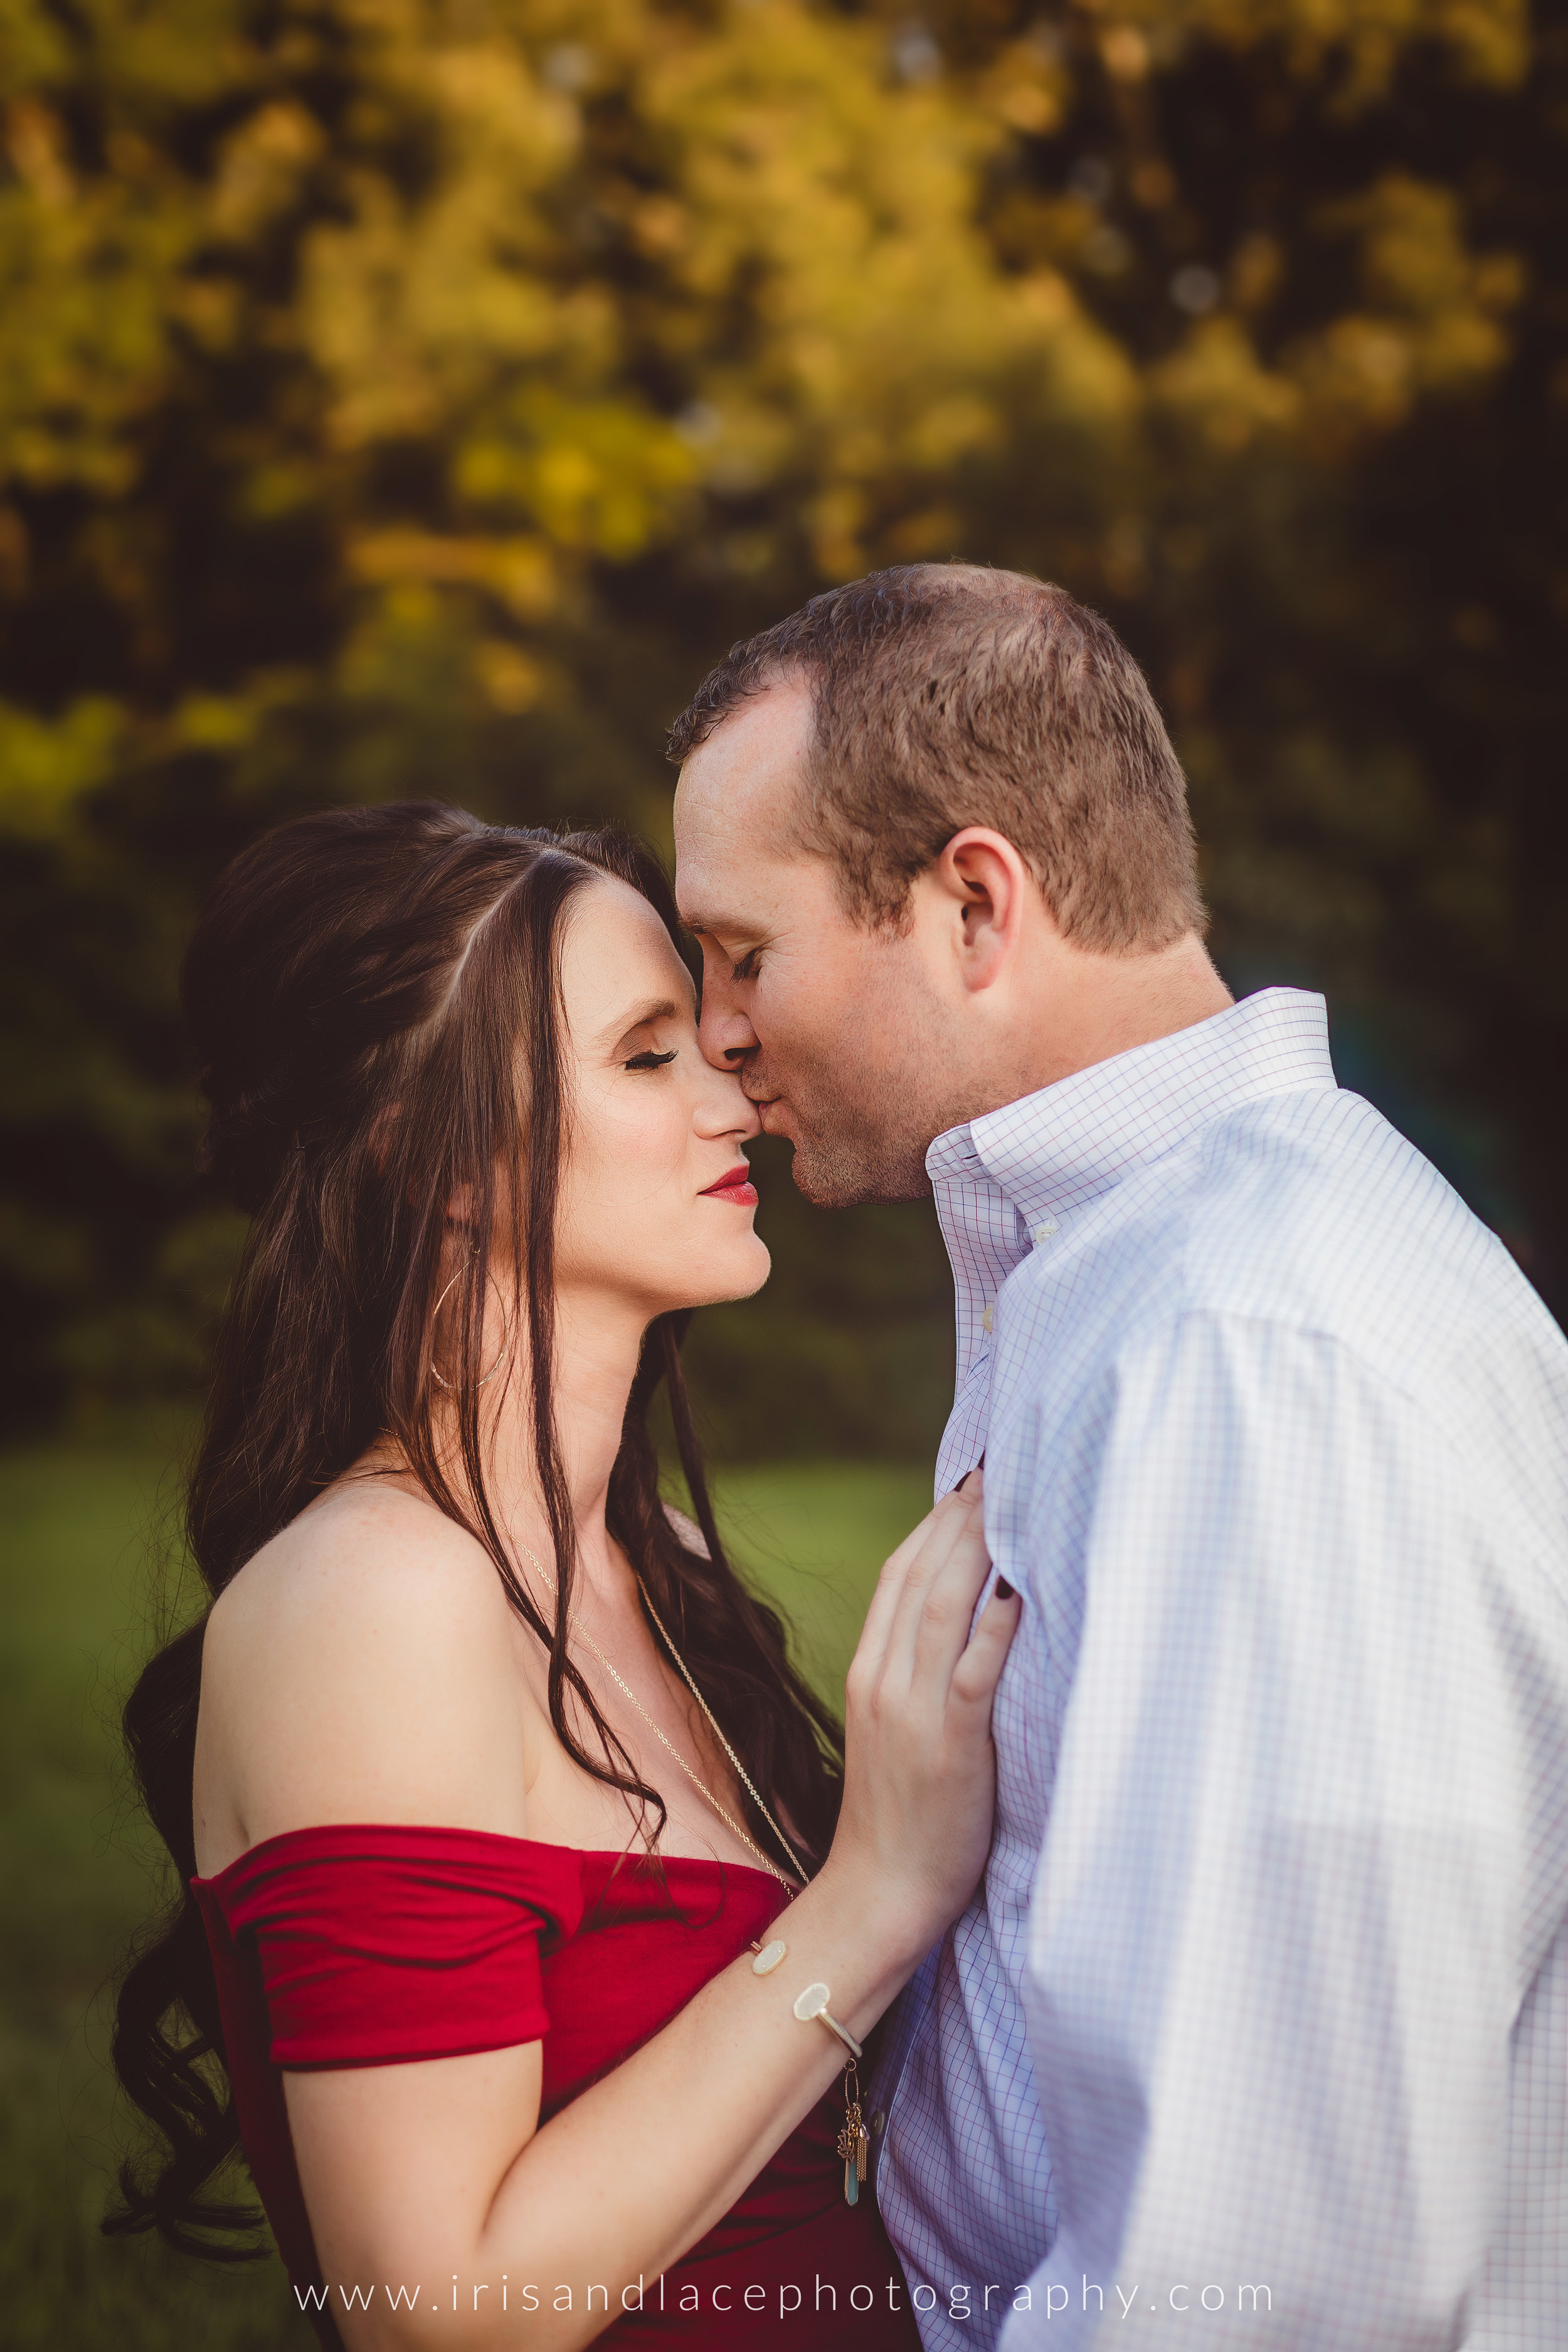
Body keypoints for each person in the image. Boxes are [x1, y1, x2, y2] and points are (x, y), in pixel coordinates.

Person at [669, 562, 1568, 2349]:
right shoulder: (1146, 1274)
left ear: (971, 904)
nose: (714, 1028)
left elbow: (1283, 2267)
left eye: (743, 950)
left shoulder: (1252, 1347)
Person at [105, 802, 1021, 2349]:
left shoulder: (648, 1569)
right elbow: (432, 2311)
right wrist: (874, 1893)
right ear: (438, 1154)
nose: (734, 1087)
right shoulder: (375, 1602)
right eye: (648, 1053)